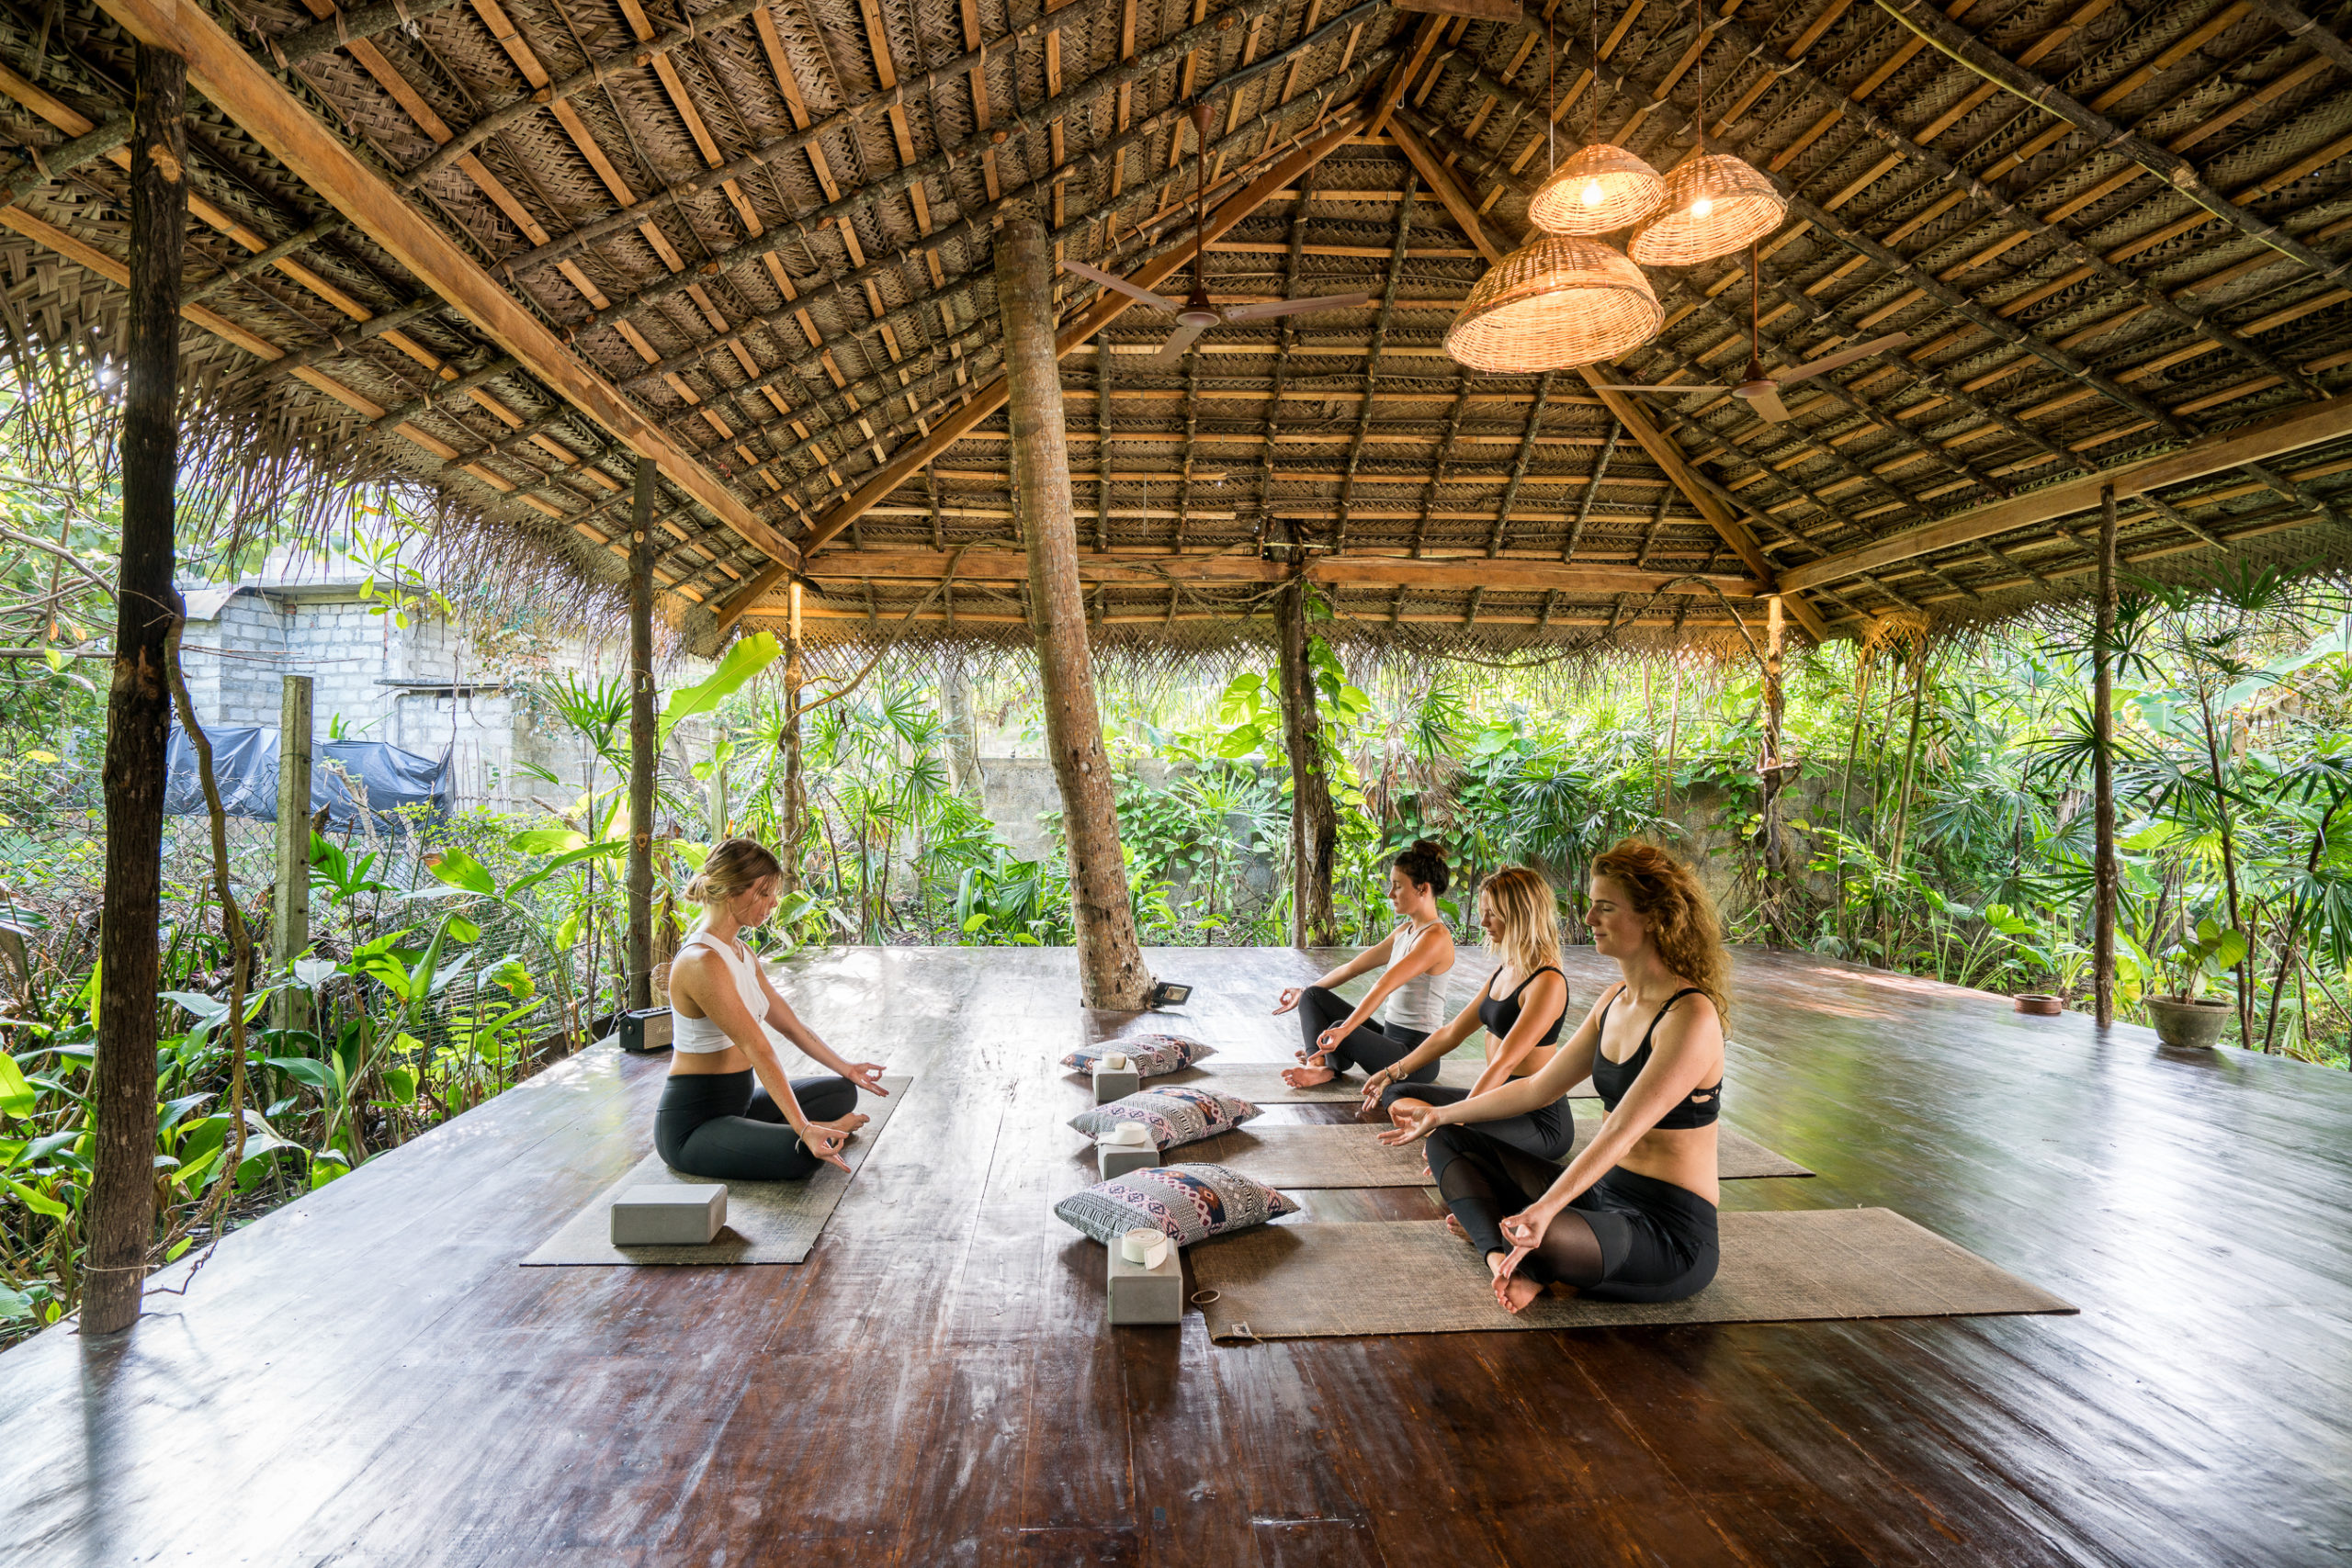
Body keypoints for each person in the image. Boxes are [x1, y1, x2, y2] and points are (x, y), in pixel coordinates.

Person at [1385, 840, 1727, 1313]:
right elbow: (1537, 1087)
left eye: (1605, 908)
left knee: (1544, 1234)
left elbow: (1622, 1134)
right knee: (1449, 1141)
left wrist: (1545, 1209)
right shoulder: (1613, 1001)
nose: (1588, 919)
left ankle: (1520, 1248)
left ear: (1653, 917)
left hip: (1667, 1229)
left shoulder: (1691, 1017)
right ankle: (1499, 1253)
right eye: (1591, 905)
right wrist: (1442, 1115)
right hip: (1600, 1192)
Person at [654, 837, 889, 1181]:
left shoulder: (740, 952)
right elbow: (758, 1049)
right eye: (764, 893)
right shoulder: (701, 961)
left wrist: (848, 1068)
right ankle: (816, 1131)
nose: (774, 902)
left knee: (842, 1091)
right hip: (694, 1124)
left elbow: (792, 1026)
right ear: (733, 890)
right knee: (798, 1156)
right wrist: (804, 1127)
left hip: (742, 1105)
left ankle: (814, 1129)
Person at [1352, 864, 1576, 1163]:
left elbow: (1503, 1063)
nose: (1483, 922)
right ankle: (1438, 1128)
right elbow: (1452, 1032)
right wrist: (1392, 1071)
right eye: (1483, 911)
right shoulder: (1505, 970)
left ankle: (1443, 1131)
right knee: (1394, 1091)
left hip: (1539, 1119)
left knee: (1453, 1137)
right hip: (1496, 1099)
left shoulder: (1547, 981)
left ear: (1521, 915)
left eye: (1492, 913)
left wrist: (1457, 1123)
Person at [1272, 840, 1457, 1089]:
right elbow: (1352, 968)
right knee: (1312, 995)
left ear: (1422, 889)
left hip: (1417, 1060)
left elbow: (1384, 985)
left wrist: (1345, 1030)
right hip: (1390, 1040)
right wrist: (1302, 994)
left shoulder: (1435, 938)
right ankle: (1318, 1066)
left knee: (1340, 1028)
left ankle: (1325, 1061)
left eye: (1397, 886)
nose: (1390, 894)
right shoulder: (1405, 931)